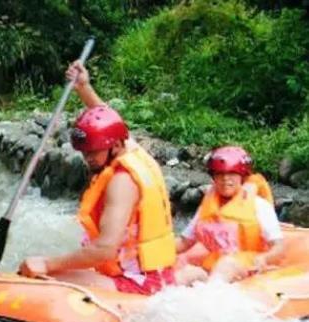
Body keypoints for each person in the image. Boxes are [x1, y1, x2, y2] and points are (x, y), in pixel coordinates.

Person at [18, 61, 188, 295]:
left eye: (94, 151)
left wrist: (48, 263)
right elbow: (110, 120)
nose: (88, 158)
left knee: (46, 279)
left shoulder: (122, 182)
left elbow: (104, 250)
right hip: (153, 272)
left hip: (138, 282)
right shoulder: (132, 152)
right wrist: (83, 87)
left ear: (114, 145)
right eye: (85, 152)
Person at [175, 146, 283, 282]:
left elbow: (278, 247)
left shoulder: (259, 205)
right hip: (214, 265)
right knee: (189, 273)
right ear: (214, 177)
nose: (226, 179)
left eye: (232, 174)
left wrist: (264, 258)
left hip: (247, 264)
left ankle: (210, 295)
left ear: (242, 176)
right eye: (220, 174)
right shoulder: (207, 207)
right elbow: (185, 242)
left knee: (226, 264)